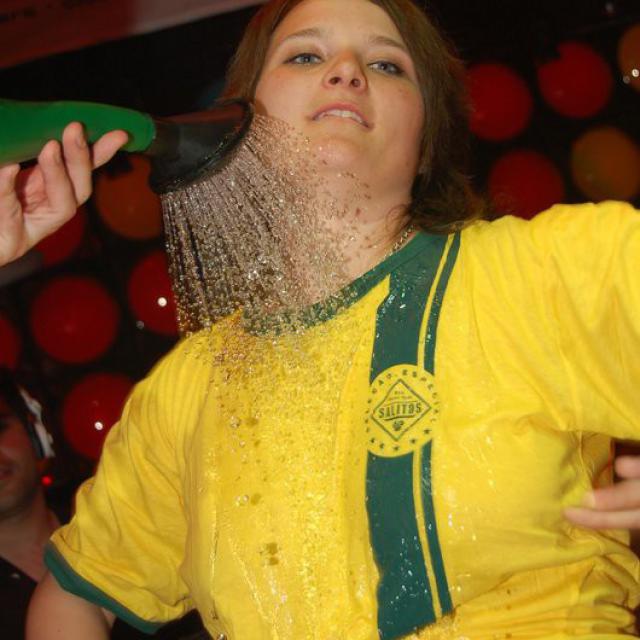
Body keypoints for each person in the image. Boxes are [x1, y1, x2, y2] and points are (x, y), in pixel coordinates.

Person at [0, 0, 638, 637]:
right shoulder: (186, 392)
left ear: (425, 144)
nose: (347, 70)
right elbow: (73, 597)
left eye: (387, 65)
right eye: (306, 56)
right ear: (236, 128)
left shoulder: (546, 271)